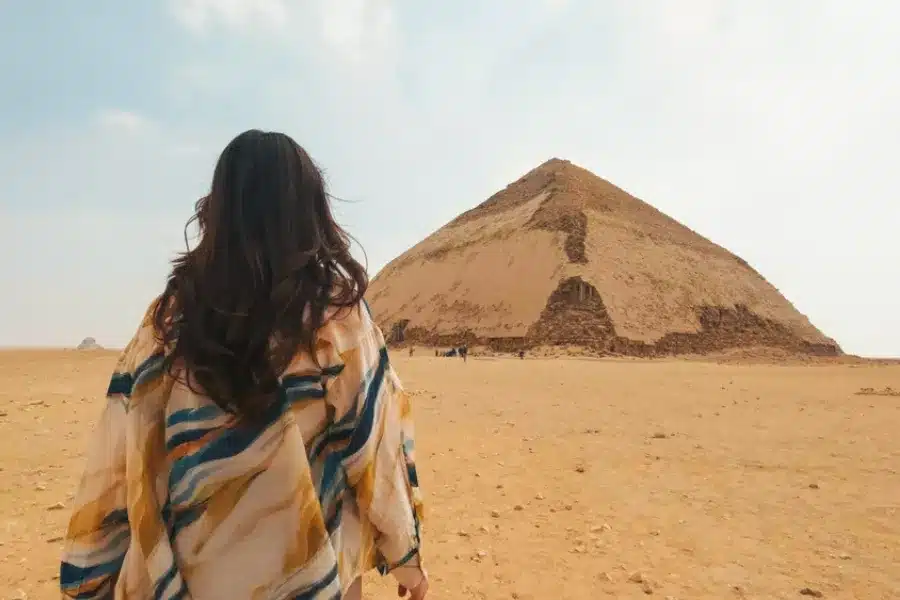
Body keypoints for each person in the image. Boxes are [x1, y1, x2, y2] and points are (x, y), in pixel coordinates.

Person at [59, 130, 428, 600]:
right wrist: (406, 559)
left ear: (218, 210)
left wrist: (90, 578)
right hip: (311, 579)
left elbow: (115, 460)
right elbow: (374, 448)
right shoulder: (333, 314)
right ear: (310, 209)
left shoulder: (166, 322)